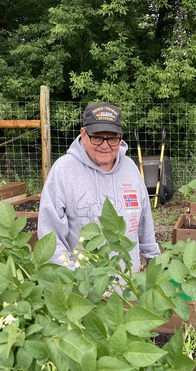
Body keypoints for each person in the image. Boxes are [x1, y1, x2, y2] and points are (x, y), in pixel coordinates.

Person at [38, 102, 160, 270]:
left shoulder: (130, 169)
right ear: (83, 134)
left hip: (129, 291)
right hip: (85, 290)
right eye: (97, 137)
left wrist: (157, 266)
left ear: (121, 138)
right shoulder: (63, 172)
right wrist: (75, 282)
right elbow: (50, 237)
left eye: (112, 138)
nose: (105, 145)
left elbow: (145, 223)